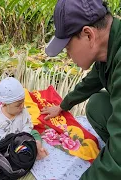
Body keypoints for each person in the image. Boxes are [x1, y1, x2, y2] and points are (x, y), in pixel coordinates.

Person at [42, 0, 121, 179]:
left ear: (88, 35)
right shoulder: (109, 49)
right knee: (97, 104)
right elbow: (89, 84)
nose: (68, 56)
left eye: (67, 48)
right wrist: (62, 106)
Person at [0, 77, 48, 160]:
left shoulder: (23, 111)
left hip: (21, 141)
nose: (22, 106)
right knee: (1, 150)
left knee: (35, 133)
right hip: (4, 143)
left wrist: (23, 139)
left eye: (23, 102)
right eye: (18, 105)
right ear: (4, 104)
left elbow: (28, 125)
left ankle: (38, 148)